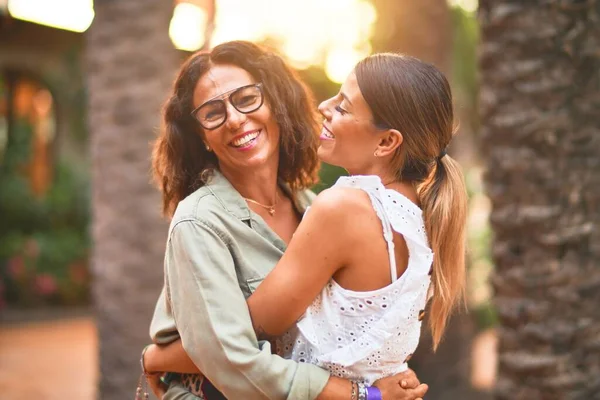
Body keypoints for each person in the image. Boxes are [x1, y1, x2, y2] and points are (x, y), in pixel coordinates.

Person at [145, 41, 429, 400]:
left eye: (246, 98)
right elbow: (229, 356)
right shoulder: (199, 223)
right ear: (201, 135)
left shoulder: (310, 206)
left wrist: (387, 371)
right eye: (212, 112)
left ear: (276, 104)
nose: (233, 119)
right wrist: (364, 395)